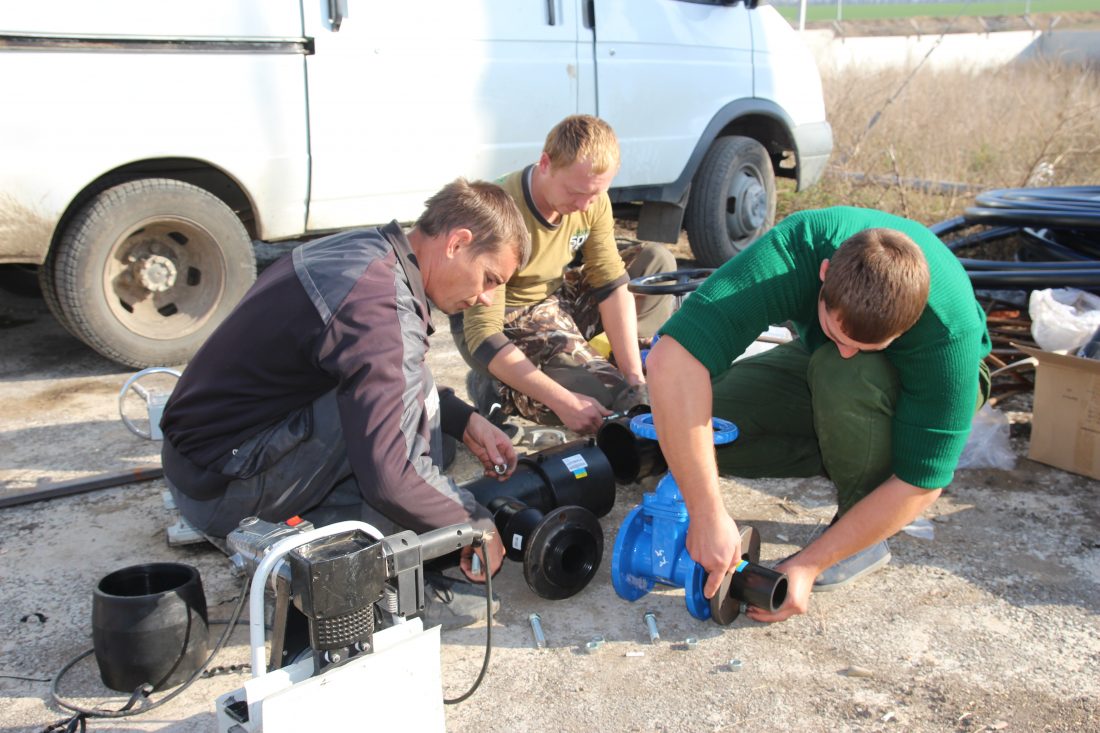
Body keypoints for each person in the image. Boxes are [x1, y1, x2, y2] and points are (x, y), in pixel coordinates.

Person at [160, 178, 531, 629]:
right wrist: (474, 522)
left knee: (414, 409)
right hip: (223, 491)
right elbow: (393, 478)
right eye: (490, 278)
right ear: (458, 242)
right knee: (402, 446)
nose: (487, 297)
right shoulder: (379, 303)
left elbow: (395, 366)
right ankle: (387, 592)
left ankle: (337, 532)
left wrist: (463, 419)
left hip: (202, 462)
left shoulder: (369, 253)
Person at [645, 206, 991, 623]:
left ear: (909, 325)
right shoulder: (796, 251)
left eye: (870, 344)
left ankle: (859, 527)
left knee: (844, 372)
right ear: (824, 274)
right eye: (836, 331)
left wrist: (810, 564)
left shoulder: (949, 334)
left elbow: (922, 481)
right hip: (818, 365)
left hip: (914, 384)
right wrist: (706, 511)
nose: (849, 348)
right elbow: (672, 360)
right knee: (701, 422)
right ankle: (845, 444)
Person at [452, 115, 677, 435]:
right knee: (600, 403)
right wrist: (562, 401)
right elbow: (482, 333)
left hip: (556, 294)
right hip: (501, 319)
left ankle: (611, 365)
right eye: (576, 193)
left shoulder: (590, 198)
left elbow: (610, 281)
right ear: (545, 163)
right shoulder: (499, 213)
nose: (586, 205)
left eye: (596, 194)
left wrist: (633, 379)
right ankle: (500, 389)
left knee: (656, 265)